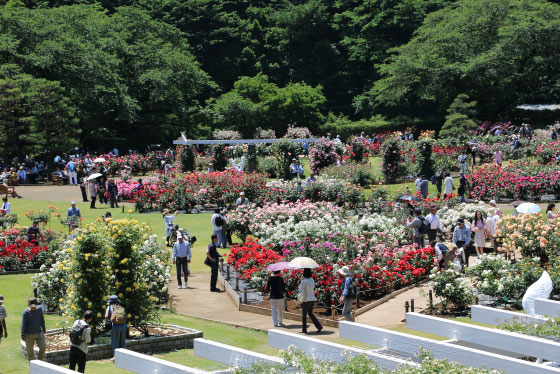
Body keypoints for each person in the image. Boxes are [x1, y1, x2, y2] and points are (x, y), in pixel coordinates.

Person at [298, 268, 322, 334]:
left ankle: (304, 329)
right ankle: (319, 326)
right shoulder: (312, 280)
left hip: (306, 299)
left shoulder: (303, 281)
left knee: (304, 315)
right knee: (310, 313)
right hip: (312, 298)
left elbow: (300, 289)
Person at [105, 295, 126, 361]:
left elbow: (106, 316)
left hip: (115, 326)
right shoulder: (121, 307)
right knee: (122, 341)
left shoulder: (109, 307)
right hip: (123, 325)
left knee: (115, 341)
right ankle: (123, 356)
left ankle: (115, 356)